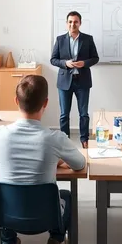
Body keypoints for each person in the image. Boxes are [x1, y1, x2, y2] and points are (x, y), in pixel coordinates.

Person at [0, 75, 86, 244]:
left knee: (4, 196)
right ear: (46, 103)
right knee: (67, 195)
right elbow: (79, 164)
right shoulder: (55, 138)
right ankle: (56, 240)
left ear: (16, 101)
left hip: (5, 213)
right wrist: (56, 159)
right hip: (47, 214)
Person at [50, 11, 100, 149]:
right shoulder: (60, 39)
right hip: (64, 82)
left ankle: (84, 140)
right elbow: (53, 59)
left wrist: (84, 63)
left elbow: (95, 58)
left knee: (83, 113)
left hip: (82, 81)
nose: (73, 24)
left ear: (80, 23)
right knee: (64, 114)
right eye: (70, 22)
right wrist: (65, 64)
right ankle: (65, 142)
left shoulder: (88, 39)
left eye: (75, 22)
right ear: (67, 23)